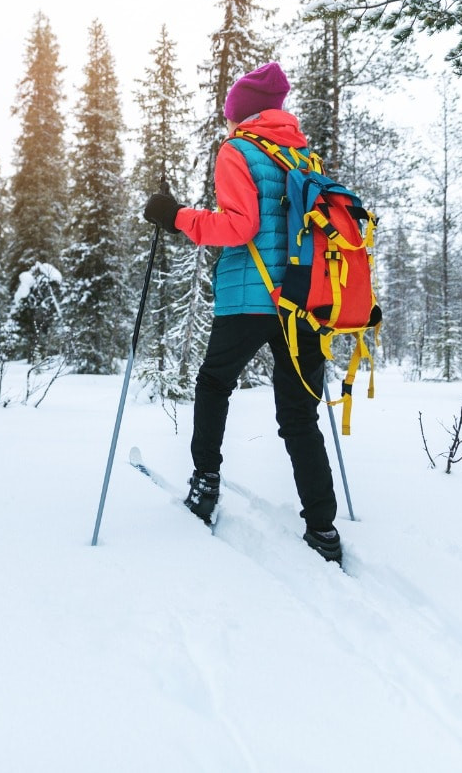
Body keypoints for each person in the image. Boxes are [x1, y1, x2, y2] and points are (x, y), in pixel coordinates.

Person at [142, 62, 342, 563]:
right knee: (300, 415)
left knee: (214, 384)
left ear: (241, 114)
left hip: (250, 298)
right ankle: (323, 530)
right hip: (305, 300)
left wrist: (176, 217)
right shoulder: (306, 157)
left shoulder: (238, 150)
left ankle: (205, 483)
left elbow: (238, 227)